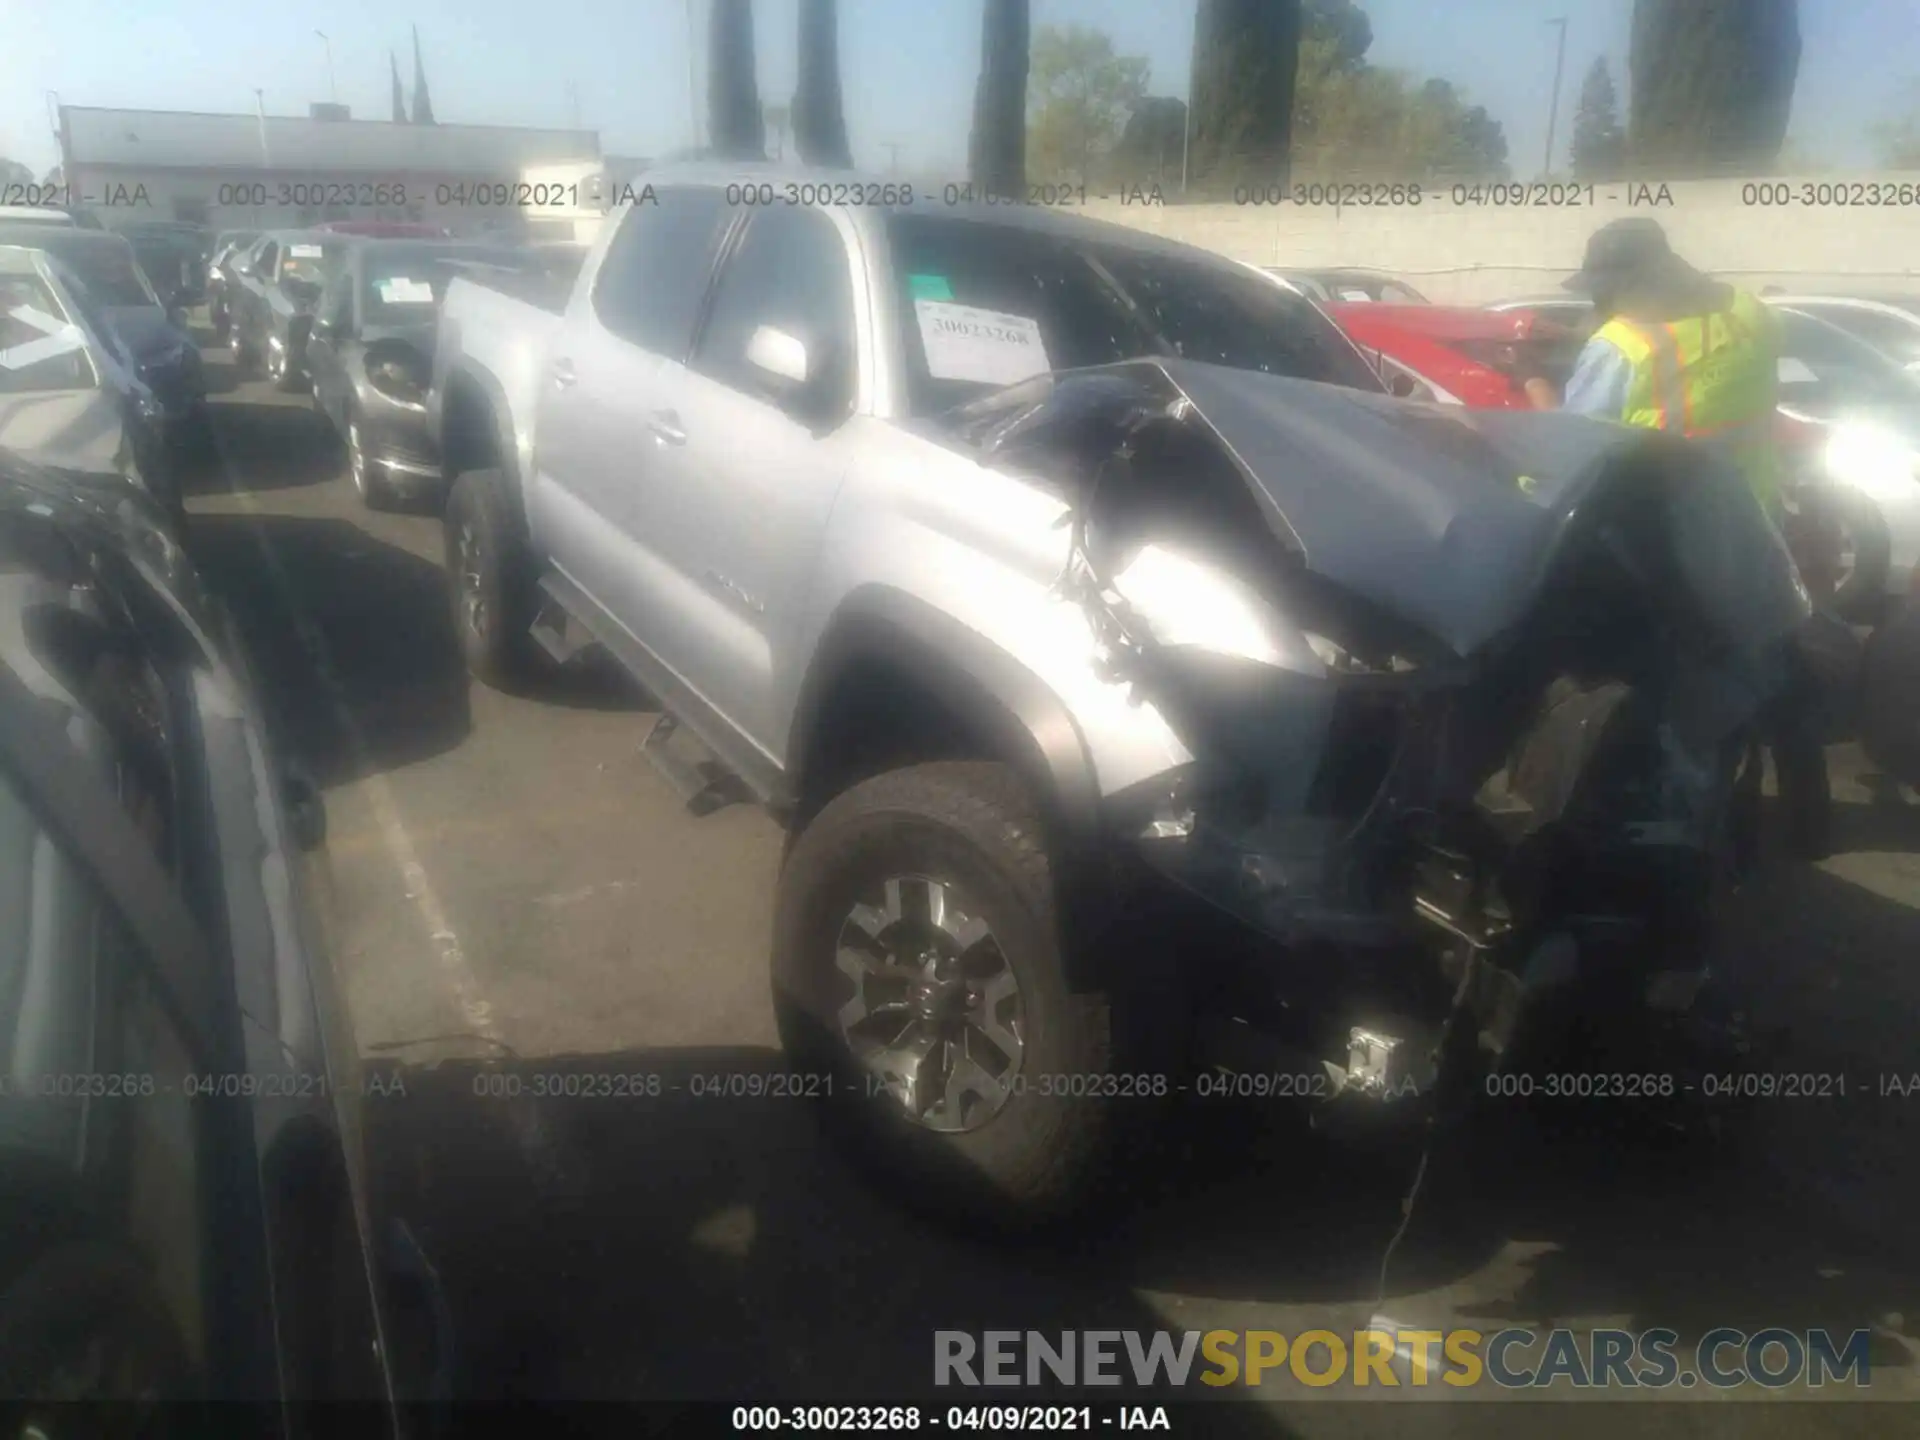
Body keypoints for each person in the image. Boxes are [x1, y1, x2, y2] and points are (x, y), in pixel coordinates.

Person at [1525, 217, 1831, 861]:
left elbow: (1569, 454)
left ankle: (1670, 849)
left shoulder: (1623, 345)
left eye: (1604, 288)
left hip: (1661, 561)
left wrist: (1535, 388)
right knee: (1752, 675)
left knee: (1667, 700)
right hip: (1753, 538)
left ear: (1640, 278)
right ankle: (1768, 814)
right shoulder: (1752, 315)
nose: (1597, 302)